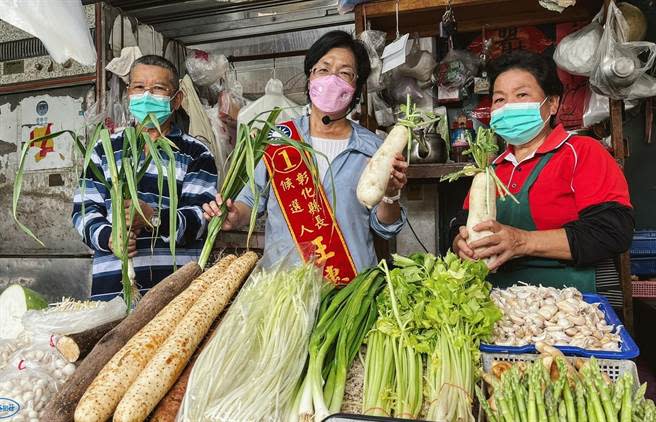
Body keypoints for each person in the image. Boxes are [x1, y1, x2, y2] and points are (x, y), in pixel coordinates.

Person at [202, 30, 408, 283]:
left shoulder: (374, 147)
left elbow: (385, 228)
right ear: (310, 76)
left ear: (355, 87)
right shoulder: (279, 138)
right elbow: (250, 201)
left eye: (345, 73)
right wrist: (233, 215)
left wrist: (390, 194)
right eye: (323, 69)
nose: (332, 79)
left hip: (349, 289)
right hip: (284, 291)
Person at [451, 50, 634, 308]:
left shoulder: (582, 152)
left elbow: (613, 232)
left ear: (552, 104)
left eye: (522, 95)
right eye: (499, 99)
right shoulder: (491, 168)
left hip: (570, 305)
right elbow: (461, 221)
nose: (508, 106)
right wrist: (459, 243)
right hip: (499, 305)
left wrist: (521, 241)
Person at [72, 55, 218, 300]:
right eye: (139, 87)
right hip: (112, 292)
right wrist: (110, 238)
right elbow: (83, 211)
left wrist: (153, 217)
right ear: (128, 94)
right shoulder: (105, 149)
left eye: (158, 88)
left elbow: (200, 218)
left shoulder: (196, 153)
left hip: (177, 296)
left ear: (176, 100)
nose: (147, 96)